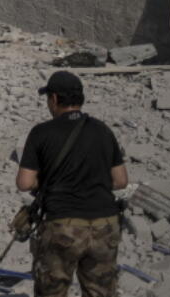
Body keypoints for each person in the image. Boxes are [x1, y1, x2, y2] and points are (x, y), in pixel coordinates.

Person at [17, 71, 128, 297]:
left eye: (48, 98)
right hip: (105, 225)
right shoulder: (103, 130)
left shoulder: (41, 133)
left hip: (62, 225)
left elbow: (24, 182)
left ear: (55, 99)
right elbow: (121, 180)